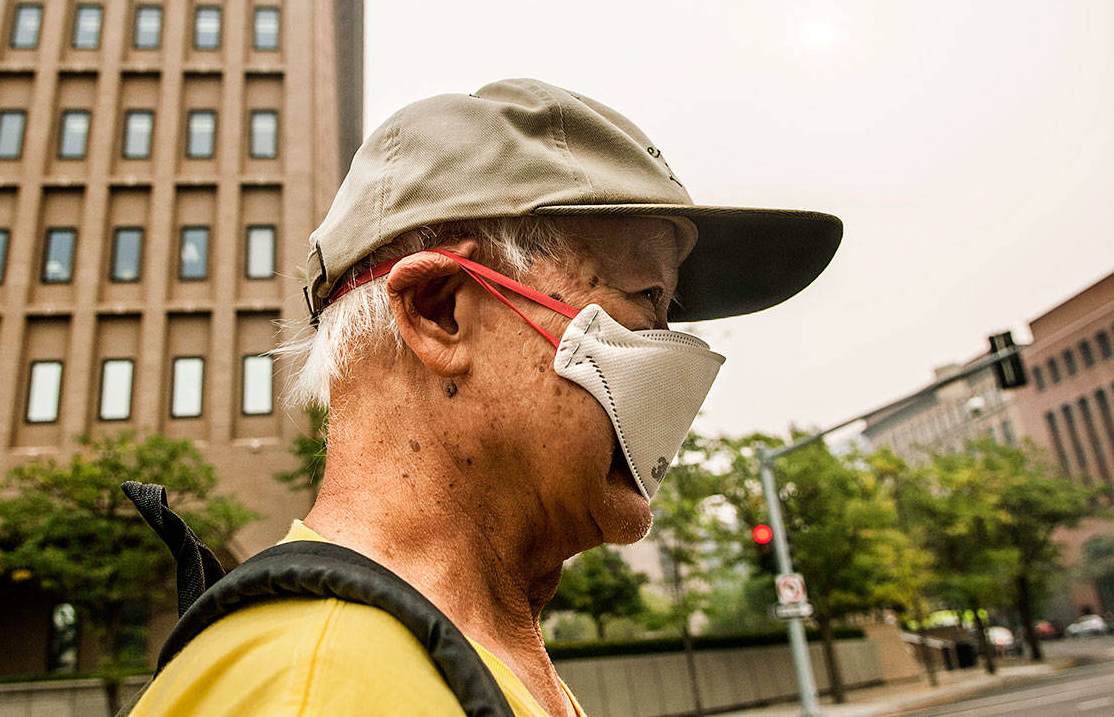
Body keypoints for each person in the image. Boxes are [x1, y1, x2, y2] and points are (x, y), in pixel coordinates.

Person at [128, 78, 841, 717]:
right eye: (644, 296)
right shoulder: (321, 685)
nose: (670, 353)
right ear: (441, 310)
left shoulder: (449, 656)